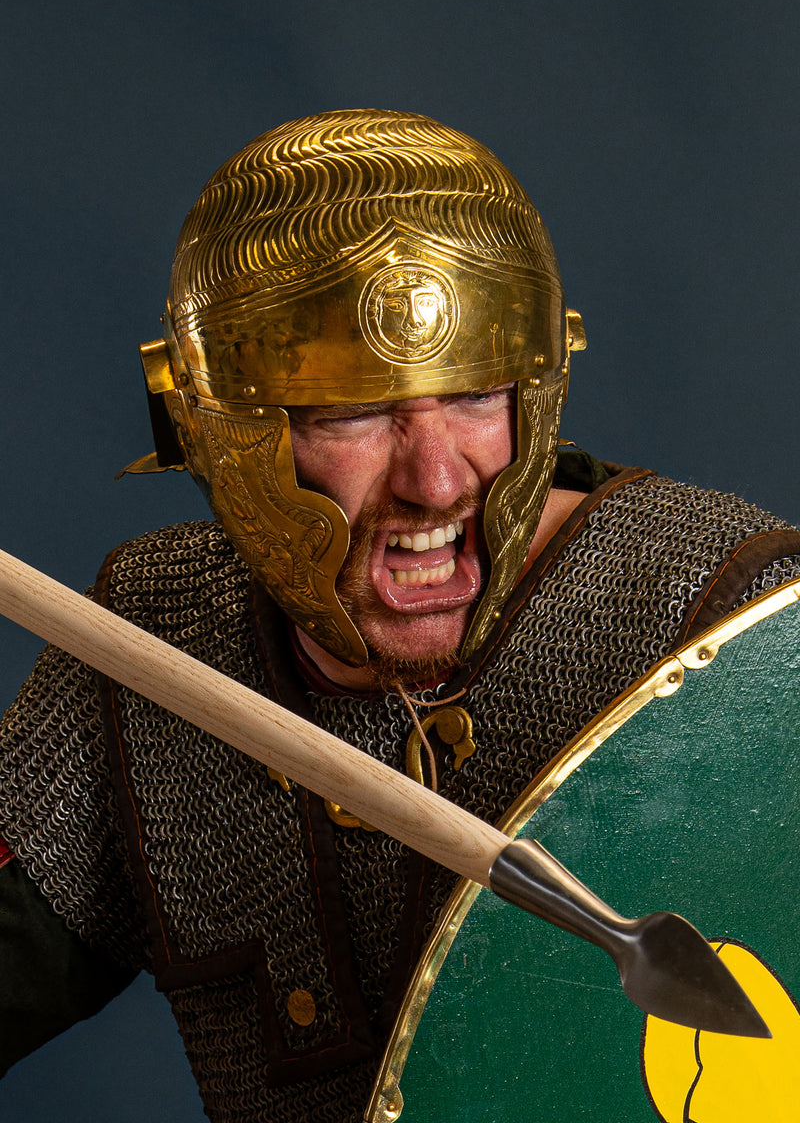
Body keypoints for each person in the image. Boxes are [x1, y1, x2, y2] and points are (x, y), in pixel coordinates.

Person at [1, 109, 798, 1122]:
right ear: (216, 434)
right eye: (350, 414)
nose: (433, 479)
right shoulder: (153, 642)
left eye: (471, 398)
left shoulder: (735, 628)